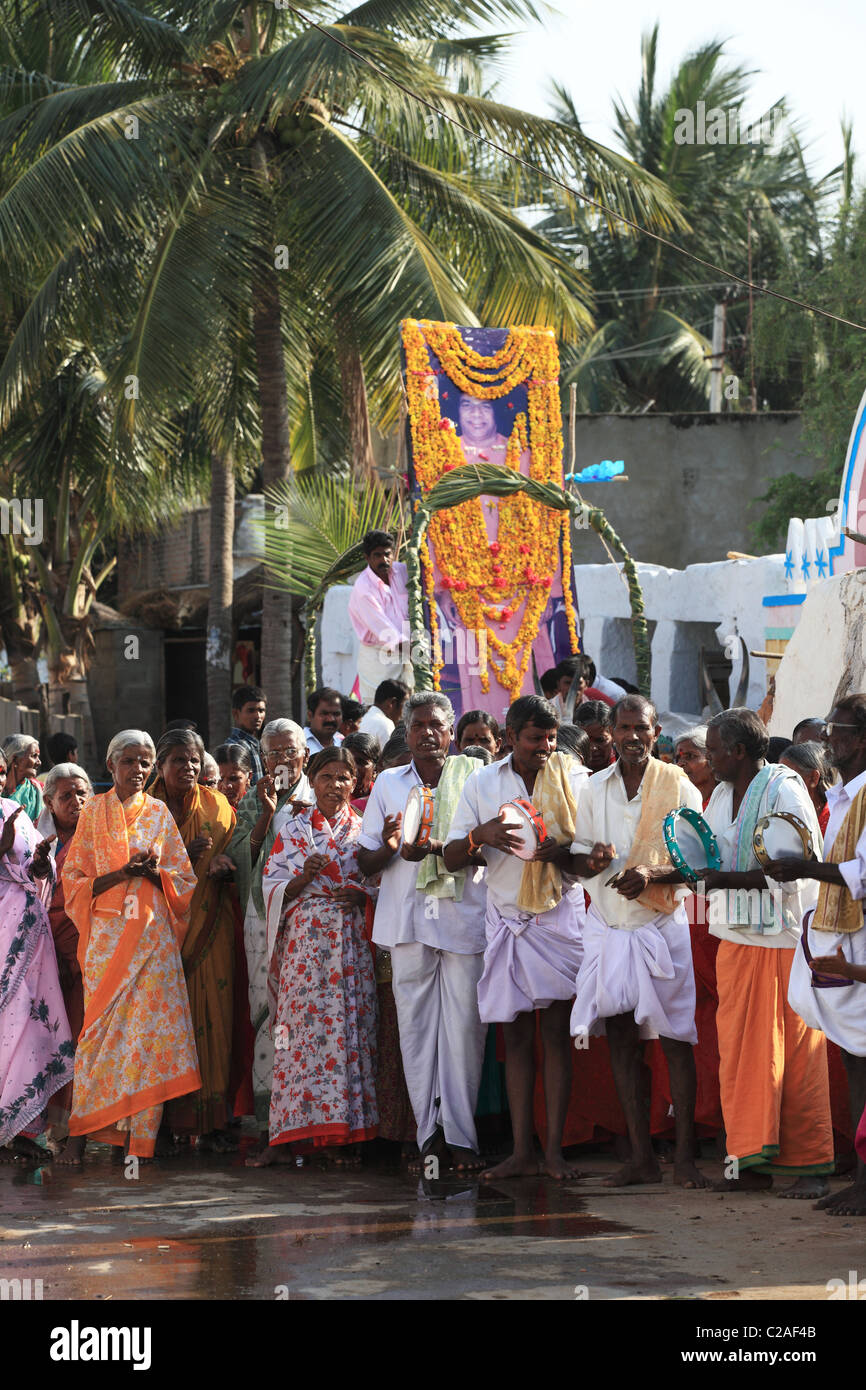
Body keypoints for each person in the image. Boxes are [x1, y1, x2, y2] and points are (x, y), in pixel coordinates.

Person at [445, 693, 591, 1180]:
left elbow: (593, 853)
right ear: (510, 738)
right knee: (517, 1036)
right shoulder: (483, 782)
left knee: (555, 1034)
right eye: (535, 738)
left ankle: (552, 1152)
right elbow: (449, 857)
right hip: (506, 918)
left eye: (551, 737)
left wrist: (562, 851)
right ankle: (523, 1152)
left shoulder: (573, 777)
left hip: (558, 916)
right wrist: (479, 836)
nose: (545, 747)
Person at [569, 694, 707, 1189]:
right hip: (609, 929)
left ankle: (686, 1157)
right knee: (622, 1042)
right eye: (624, 728)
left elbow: (699, 862)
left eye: (641, 729)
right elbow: (580, 857)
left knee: (675, 1042)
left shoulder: (678, 784)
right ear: (611, 731)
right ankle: (642, 1158)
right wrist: (592, 861)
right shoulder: (593, 788)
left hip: (659, 929)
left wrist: (652, 873)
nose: (632, 738)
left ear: (655, 732)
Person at [700, 708, 832, 1197]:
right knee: (739, 1057)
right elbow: (709, 853)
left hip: (782, 939)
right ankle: (748, 1162)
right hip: (736, 940)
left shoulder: (784, 788)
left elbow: (796, 867)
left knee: (796, 1054)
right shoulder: (719, 795)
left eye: (713, 749)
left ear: (737, 751)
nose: (708, 758)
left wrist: (725, 879)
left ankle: (809, 1166)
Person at [359, 692, 487, 1172]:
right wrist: (394, 845)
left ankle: (462, 1137)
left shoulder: (474, 778)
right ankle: (428, 1136)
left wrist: (438, 848)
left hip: (461, 918)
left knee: (465, 1031)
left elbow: (487, 850)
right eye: (417, 726)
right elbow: (366, 859)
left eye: (435, 725)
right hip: (408, 922)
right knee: (415, 1031)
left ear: (450, 733)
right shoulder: (389, 783)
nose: (426, 733)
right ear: (406, 732)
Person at [61, 730, 199, 1160]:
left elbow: (184, 879)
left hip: (153, 942)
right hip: (105, 941)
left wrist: (154, 873)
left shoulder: (158, 813)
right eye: (129, 761)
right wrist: (122, 873)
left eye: (145, 762)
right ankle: (79, 1134)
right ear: (110, 766)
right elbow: (74, 881)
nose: (137, 770)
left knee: (147, 1039)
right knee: (96, 1035)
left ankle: (139, 1145)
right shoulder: (92, 813)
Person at [250, 748, 378, 1165]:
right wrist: (304, 874)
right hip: (305, 947)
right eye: (326, 776)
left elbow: (382, 883)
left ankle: (347, 1134)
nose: (335, 785)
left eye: (344, 777)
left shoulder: (364, 830)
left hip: (349, 944)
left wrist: (362, 895)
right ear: (312, 778)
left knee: (350, 1029)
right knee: (298, 1033)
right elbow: (271, 885)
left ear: (356, 783)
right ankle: (291, 1135)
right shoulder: (293, 829)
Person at [785, 696, 866, 1215]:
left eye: (837, 732)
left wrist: (806, 869)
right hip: (843, 934)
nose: (828, 740)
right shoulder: (844, 794)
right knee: (853, 1058)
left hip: (859, 937)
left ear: (860, 739)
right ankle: (861, 1174)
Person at [149, 728, 239, 1150]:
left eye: (192, 760)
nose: (186, 767)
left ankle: (214, 1122)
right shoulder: (143, 810)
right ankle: (163, 1122)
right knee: (165, 1027)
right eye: (177, 760)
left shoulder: (218, 806)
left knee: (215, 1016)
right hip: (156, 932)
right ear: (160, 765)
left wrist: (222, 863)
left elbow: (239, 854)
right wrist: (184, 851)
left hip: (211, 923)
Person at [227, 720, 311, 1138]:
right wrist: (265, 814)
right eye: (272, 753)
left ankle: (308, 1113)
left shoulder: (320, 796)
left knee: (306, 1013)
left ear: (305, 756)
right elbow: (244, 860)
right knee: (267, 1012)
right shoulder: (250, 802)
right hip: (263, 922)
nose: (281, 761)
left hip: (311, 924)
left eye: (288, 752)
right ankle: (271, 1115)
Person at [0, 758, 74, 1163]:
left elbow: (34, 867)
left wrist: (43, 864)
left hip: (30, 929)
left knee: (30, 1021)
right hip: (2, 932)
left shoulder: (15, 810)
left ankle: (25, 1128)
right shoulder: (11, 817)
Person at [36, 762, 93, 1161]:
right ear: (49, 802)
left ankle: (82, 1131)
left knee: (82, 1038)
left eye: (83, 793)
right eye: (66, 796)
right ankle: (50, 1129)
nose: (77, 802)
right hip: (46, 955)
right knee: (53, 1039)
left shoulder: (102, 836)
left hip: (89, 953)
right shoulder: (37, 839)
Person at [348, 530, 413, 703]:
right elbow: (384, 631)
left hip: (407, 650)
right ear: (367, 558)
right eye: (377, 555)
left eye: (387, 554)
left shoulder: (402, 571)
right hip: (379, 657)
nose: (383, 560)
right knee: (380, 708)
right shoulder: (363, 588)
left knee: (410, 708)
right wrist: (417, 653)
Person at [780, 740, 834, 835]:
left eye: (789, 778)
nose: (781, 785)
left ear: (813, 778)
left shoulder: (835, 818)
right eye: (779, 777)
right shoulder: (780, 814)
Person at [228, 685, 268, 785]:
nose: (258, 716)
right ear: (236, 714)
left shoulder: (256, 743)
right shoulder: (235, 746)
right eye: (251, 710)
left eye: (261, 710)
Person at [2, 734, 43, 821]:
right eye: (34, 756)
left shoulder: (37, 790)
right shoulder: (1, 787)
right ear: (15, 759)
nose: (39, 762)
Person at [358, 678, 409, 746]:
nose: (406, 712)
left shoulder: (362, 719)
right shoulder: (385, 724)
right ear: (392, 703)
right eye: (404, 706)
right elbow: (391, 755)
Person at [674, 725, 716, 806]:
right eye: (677, 759)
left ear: (711, 759)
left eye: (690, 756)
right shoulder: (675, 804)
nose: (679, 764)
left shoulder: (725, 800)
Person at [573, 701, 616, 774]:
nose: (592, 748)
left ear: (614, 737)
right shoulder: (564, 771)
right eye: (585, 741)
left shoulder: (628, 770)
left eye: (600, 740)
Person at [342, 731, 380, 812]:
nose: (354, 768)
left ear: (375, 769)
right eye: (349, 761)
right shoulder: (333, 798)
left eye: (361, 762)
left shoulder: (381, 798)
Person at [304, 687, 345, 755]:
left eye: (336, 714)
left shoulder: (344, 743)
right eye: (324, 714)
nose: (331, 719)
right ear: (310, 715)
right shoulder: (298, 743)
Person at [214, 743, 253, 811]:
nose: (226, 786)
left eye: (233, 779)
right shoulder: (205, 812)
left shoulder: (260, 808)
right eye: (220, 779)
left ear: (249, 777)